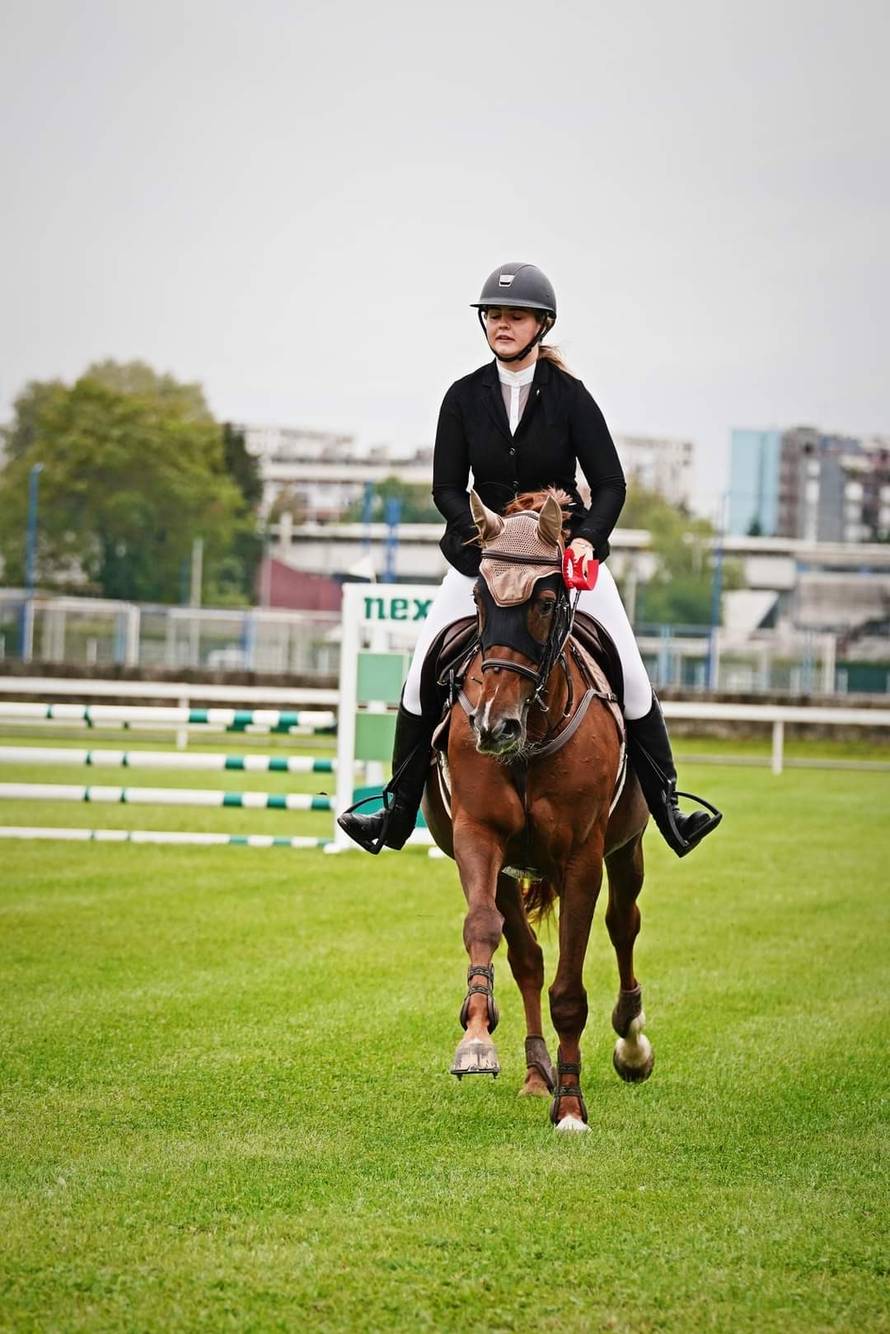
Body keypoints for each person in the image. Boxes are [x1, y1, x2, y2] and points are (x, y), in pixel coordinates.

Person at [338, 262, 722, 857]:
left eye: (514, 316)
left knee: (633, 675)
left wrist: (588, 539)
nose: (502, 324)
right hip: (483, 564)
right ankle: (394, 809)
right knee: (419, 676)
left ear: (542, 324)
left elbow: (611, 484)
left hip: (560, 564)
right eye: (493, 315)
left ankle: (668, 804)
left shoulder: (570, 397)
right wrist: (484, 538)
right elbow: (445, 487)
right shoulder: (463, 397)